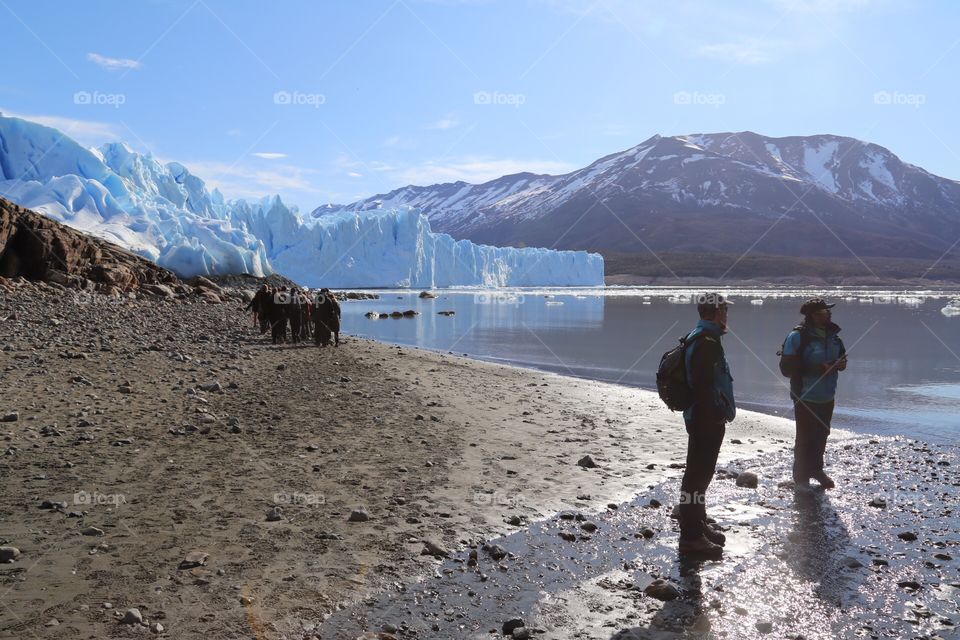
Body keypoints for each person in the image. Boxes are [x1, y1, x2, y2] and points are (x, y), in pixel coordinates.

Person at [678, 292, 736, 557]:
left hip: (701, 416)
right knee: (697, 477)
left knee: (701, 475)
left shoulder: (702, 337)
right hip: (704, 419)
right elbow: (702, 384)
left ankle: (698, 526)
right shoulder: (706, 342)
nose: (727, 314)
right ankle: (691, 537)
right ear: (717, 312)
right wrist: (714, 413)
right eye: (725, 310)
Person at [779, 298, 846, 491]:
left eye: (828, 311)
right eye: (825, 311)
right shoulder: (797, 337)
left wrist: (841, 364)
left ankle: (816, 470)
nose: (829, 314)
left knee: (822, 434)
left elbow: (842, 356)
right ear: (815, 316)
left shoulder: (833, 335)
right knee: (805, 437)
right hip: (805, 395)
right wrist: (818, 368)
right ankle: (801, 478)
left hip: (827, 395)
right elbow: (786, 368)